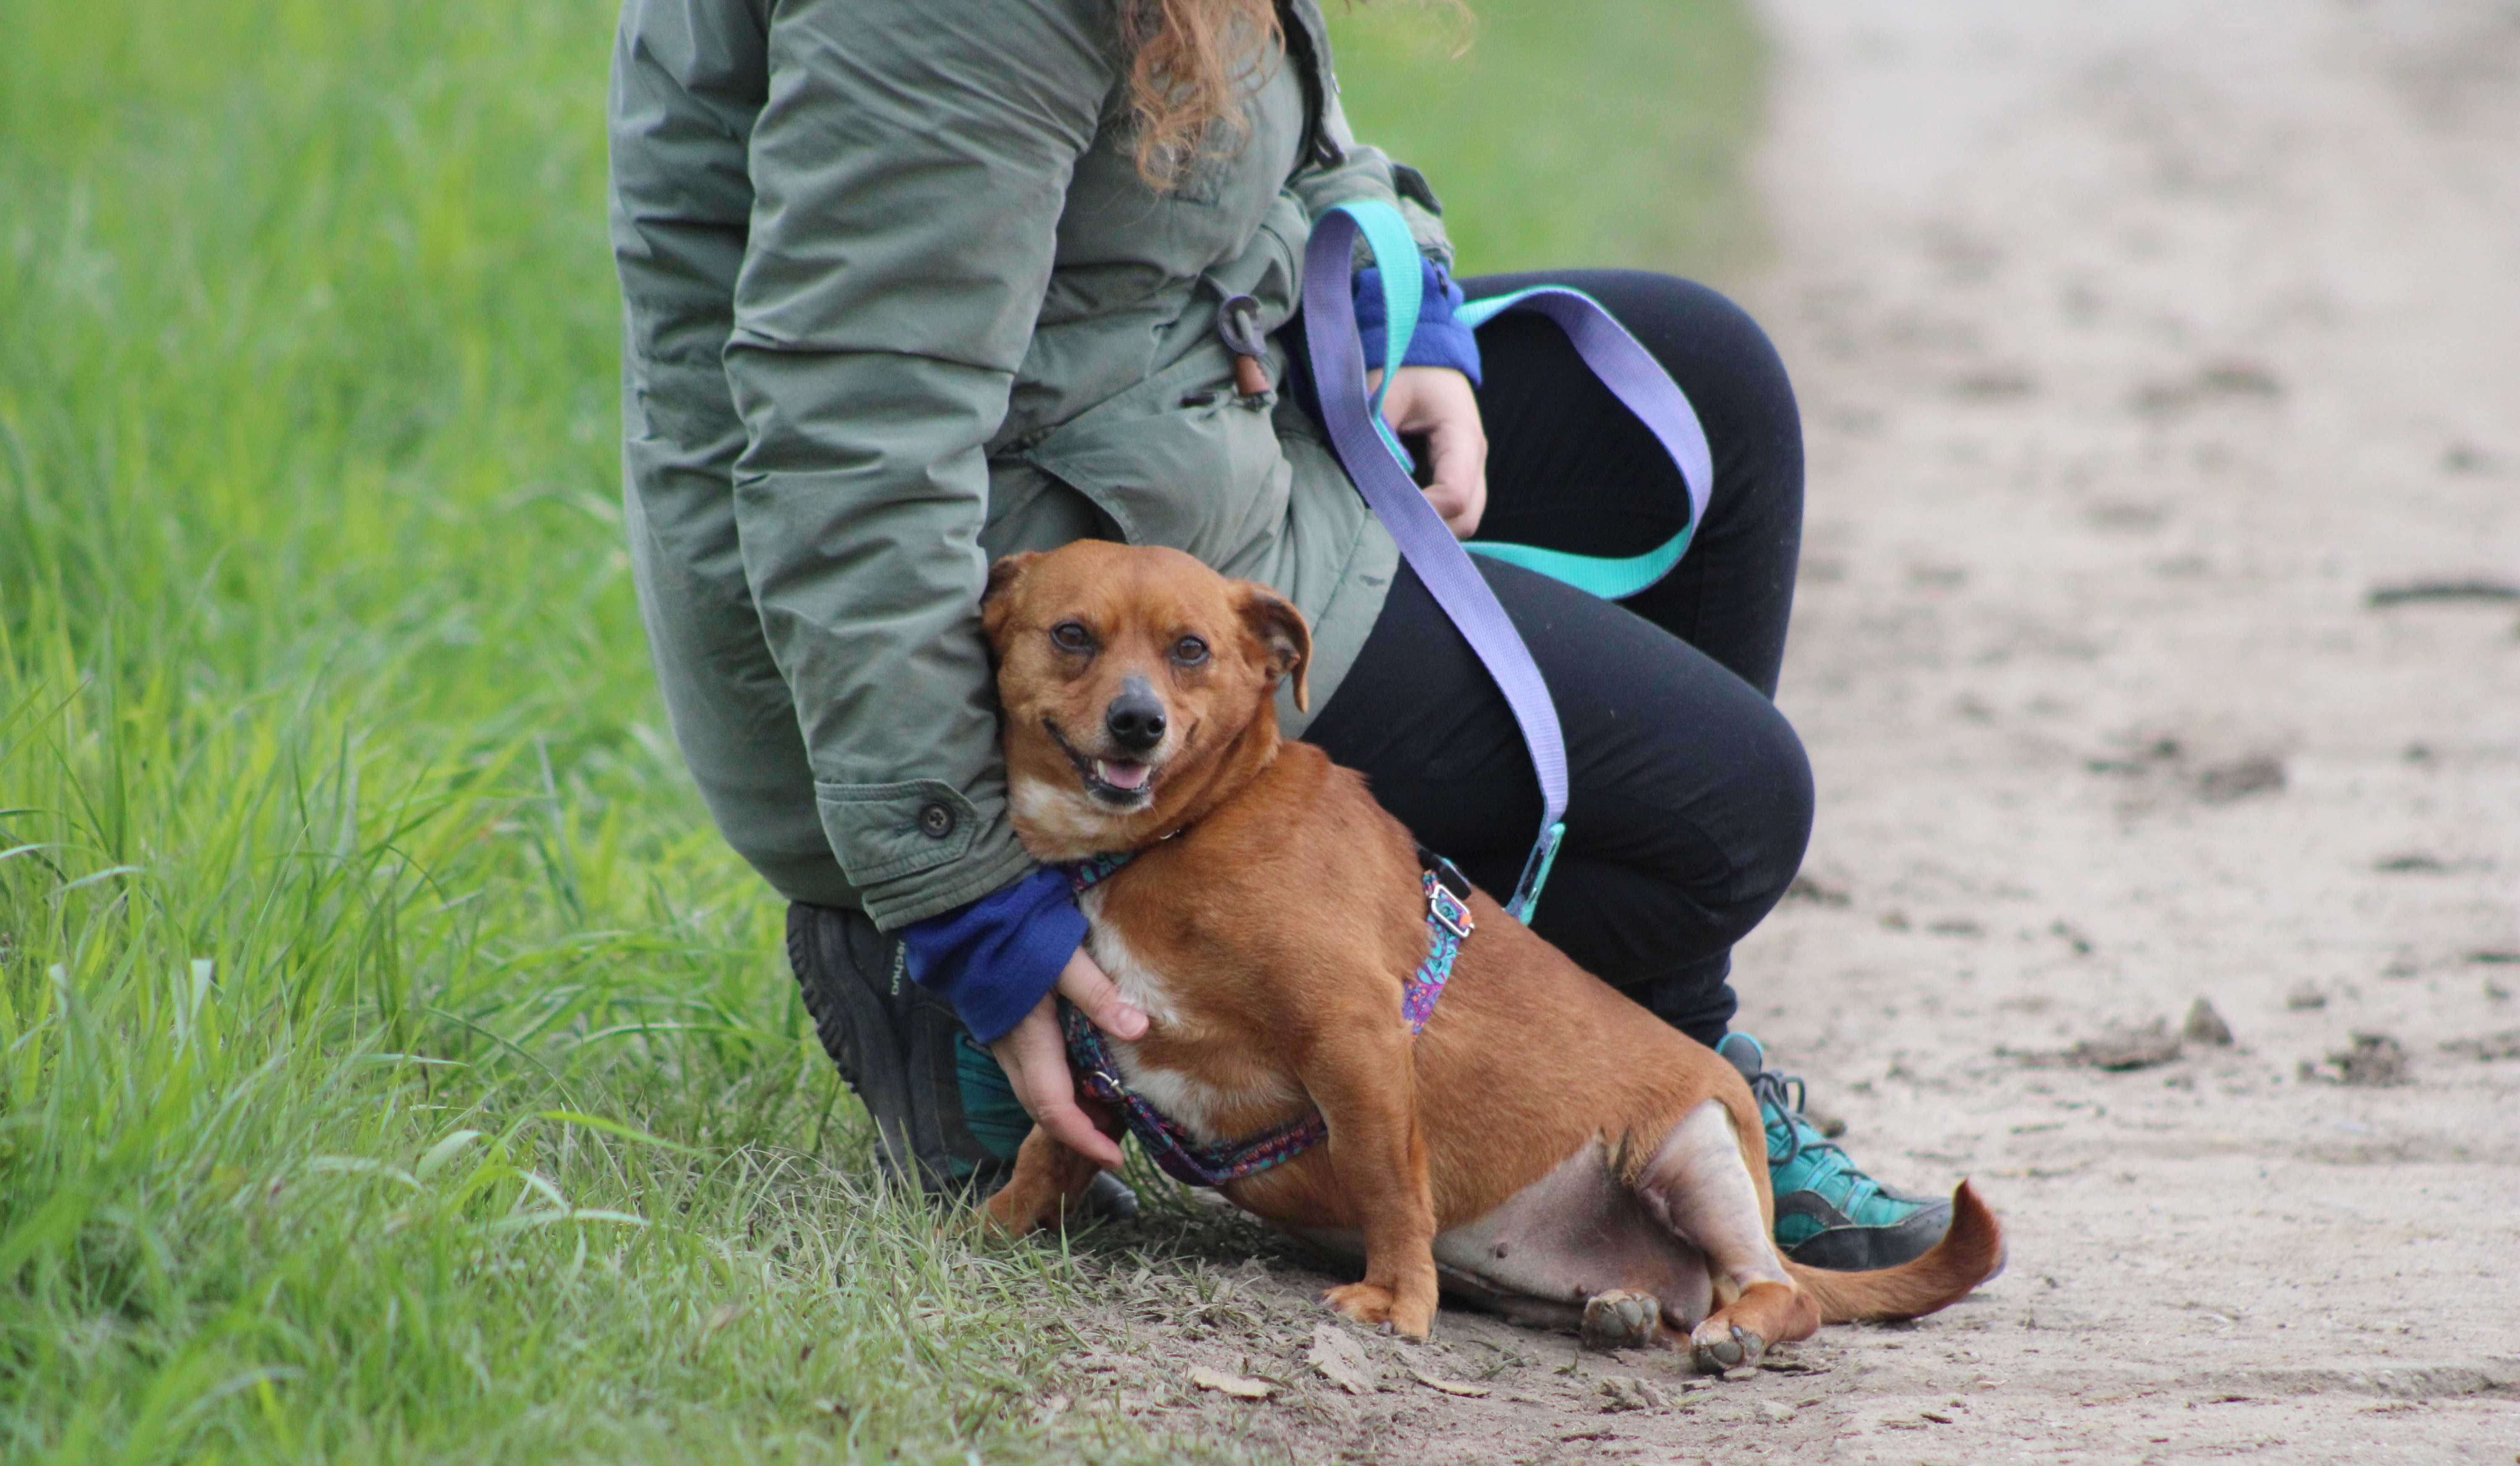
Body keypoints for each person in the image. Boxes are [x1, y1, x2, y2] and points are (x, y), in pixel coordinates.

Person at [608, 0, 1948, 1269]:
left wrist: (1400, 302)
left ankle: (1630, 1061)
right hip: (952, 612)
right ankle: (1008, 1006)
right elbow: (855, 443)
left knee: (1701, 387)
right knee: (1727, 808)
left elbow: (1290, 143)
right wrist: (963, 901)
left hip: (1174, 433)